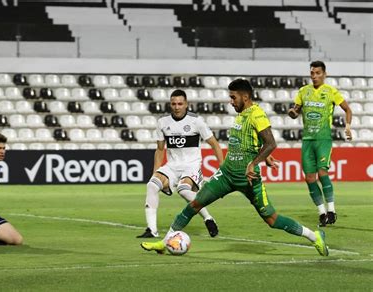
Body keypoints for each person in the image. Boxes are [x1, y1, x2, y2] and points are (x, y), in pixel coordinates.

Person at [141, 79, 329, 256]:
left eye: (233, 97)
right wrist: (266, 156)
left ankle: (314, 236)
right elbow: (250, 142)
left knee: (272, 219)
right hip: (227, 174)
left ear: (245, 97)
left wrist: (255, 162)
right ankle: (165, 242)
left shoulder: (257, 114)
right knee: (195, 203)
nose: (231, 101)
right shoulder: (241, 115)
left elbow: (270, 142)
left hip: (248, 178)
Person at [137, 89, 225, 238]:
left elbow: (214, 144)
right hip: (172, 166)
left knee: (183, 190)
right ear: (170, 105)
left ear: (186, 105)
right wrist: (155, 172)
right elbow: (159, 150)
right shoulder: (163, 123)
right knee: (152, 185)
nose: (177, 107)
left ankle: (208, 218)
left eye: (180, 104)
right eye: (173, 104)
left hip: (191, 166)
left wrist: (222, 167)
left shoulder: (196, 121)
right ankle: (151, 230)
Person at [288, 61, 352, 226]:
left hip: (323, 139)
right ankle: (322, 213)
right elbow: (296, 110)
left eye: (318, 73)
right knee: (309, 178)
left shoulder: (331, 91)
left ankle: (331, 211)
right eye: (312, 73)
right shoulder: (303, 91)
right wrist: (293, 113)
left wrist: (348, 127)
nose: (315, 76)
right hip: (307, 140)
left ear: (324, 74)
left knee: (322, 172)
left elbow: (347, 109)